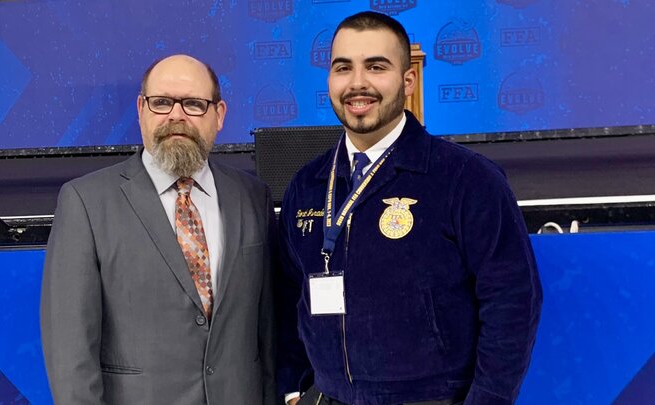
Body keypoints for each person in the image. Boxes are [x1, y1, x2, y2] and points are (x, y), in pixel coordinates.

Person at [276, 11, 542, 405]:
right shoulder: (308, 185)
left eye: (376, 67)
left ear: (408, 80)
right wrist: (295, 387)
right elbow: (290, 295)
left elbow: (513, 302)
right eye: (343, 68)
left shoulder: (466, 178)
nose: (357, 83)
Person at [41, 54, 278, 405]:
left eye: (194, 104)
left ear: (220, 115)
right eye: (162, 102)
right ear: (141, 109)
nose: (176, 116)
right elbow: (70, 351)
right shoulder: (85, 202)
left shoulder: (252, 196)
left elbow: (267, 332)